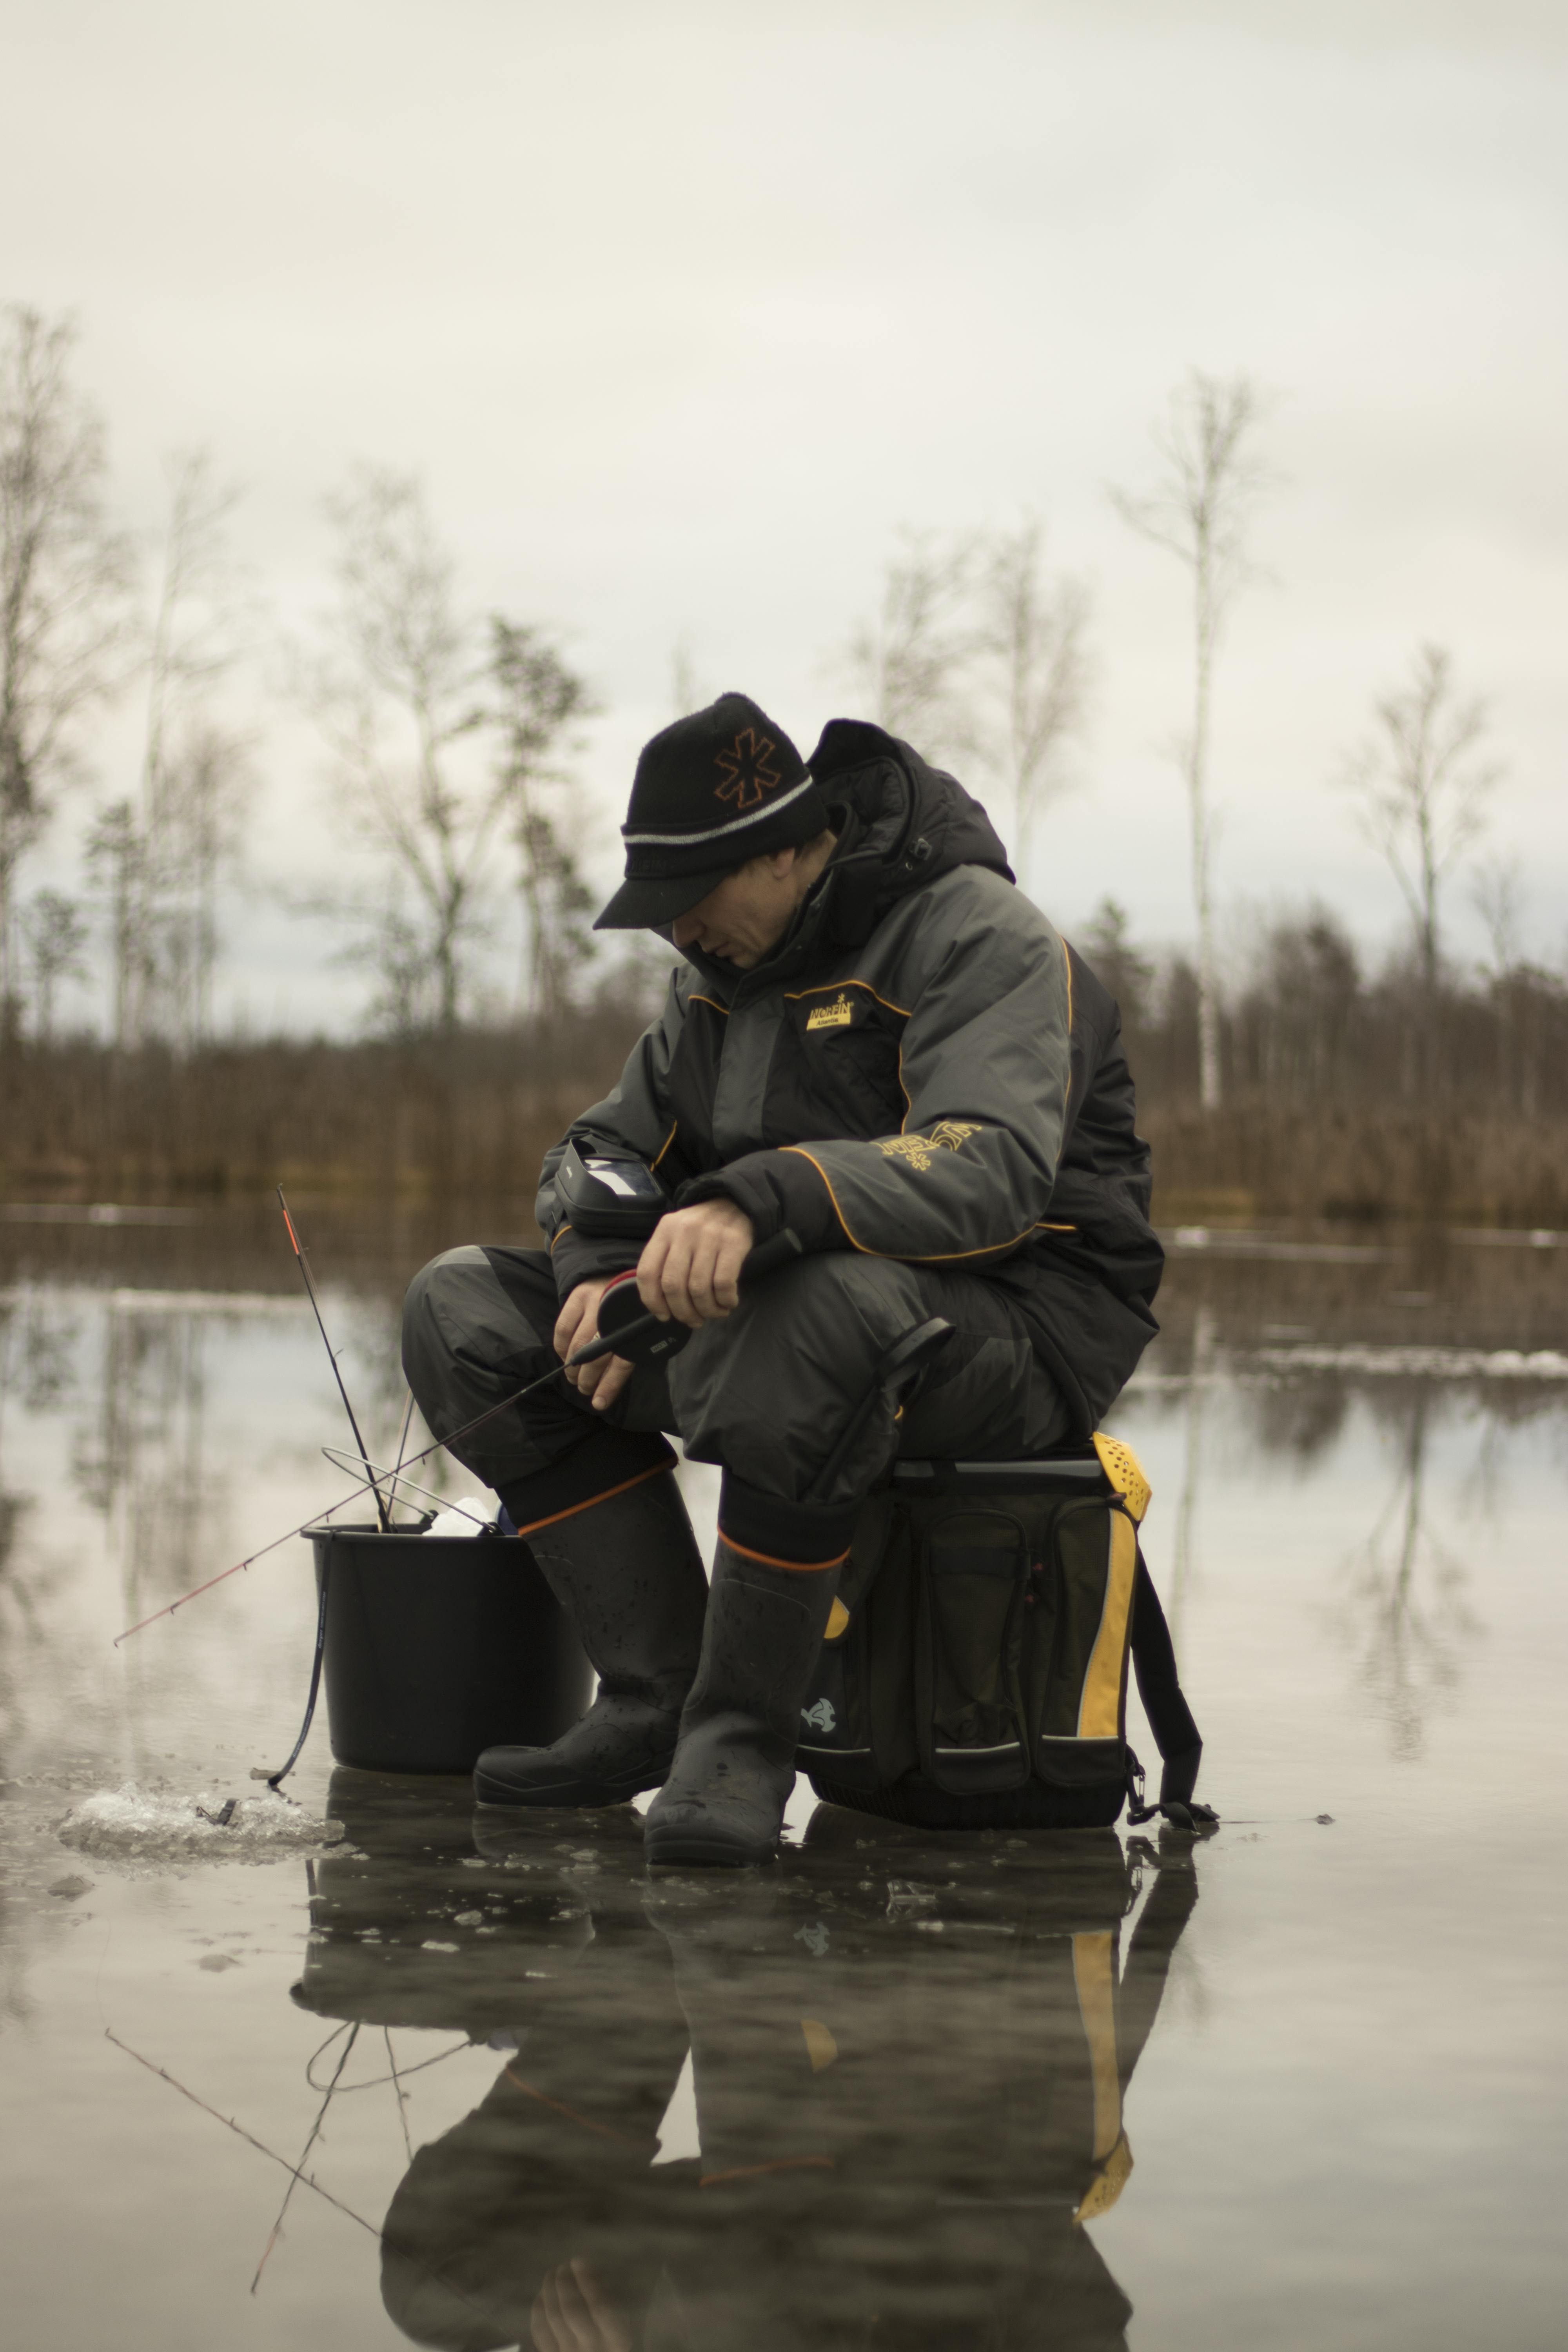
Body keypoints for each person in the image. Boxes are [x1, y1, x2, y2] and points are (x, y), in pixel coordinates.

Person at [402, 692, 1163, 1867]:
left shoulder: (978, 934)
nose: (678, 936)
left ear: (782, 852)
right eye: (660, 917)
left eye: (691, 904)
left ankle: (740, 1739)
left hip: (1028, 1326)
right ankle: (656, 1696)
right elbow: (604, 1147)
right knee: (463, 1309)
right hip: (809, 1314)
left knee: (816, 1308)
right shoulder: (717, 977)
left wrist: (767, 1198)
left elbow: (994, 1171)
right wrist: (603, 1273)